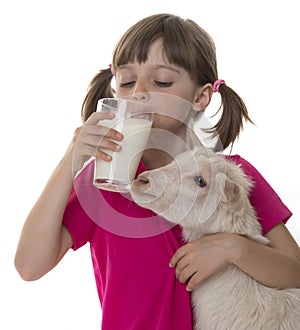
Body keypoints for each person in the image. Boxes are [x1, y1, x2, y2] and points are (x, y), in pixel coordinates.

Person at [14, 13, 300, 329]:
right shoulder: (104, 180)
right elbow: (29, 266)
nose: (139, 91)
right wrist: (71, 159)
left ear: (200, 97)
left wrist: (236, 249)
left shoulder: (231, 176)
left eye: (161, 81)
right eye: (126, 81)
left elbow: (296, 273)